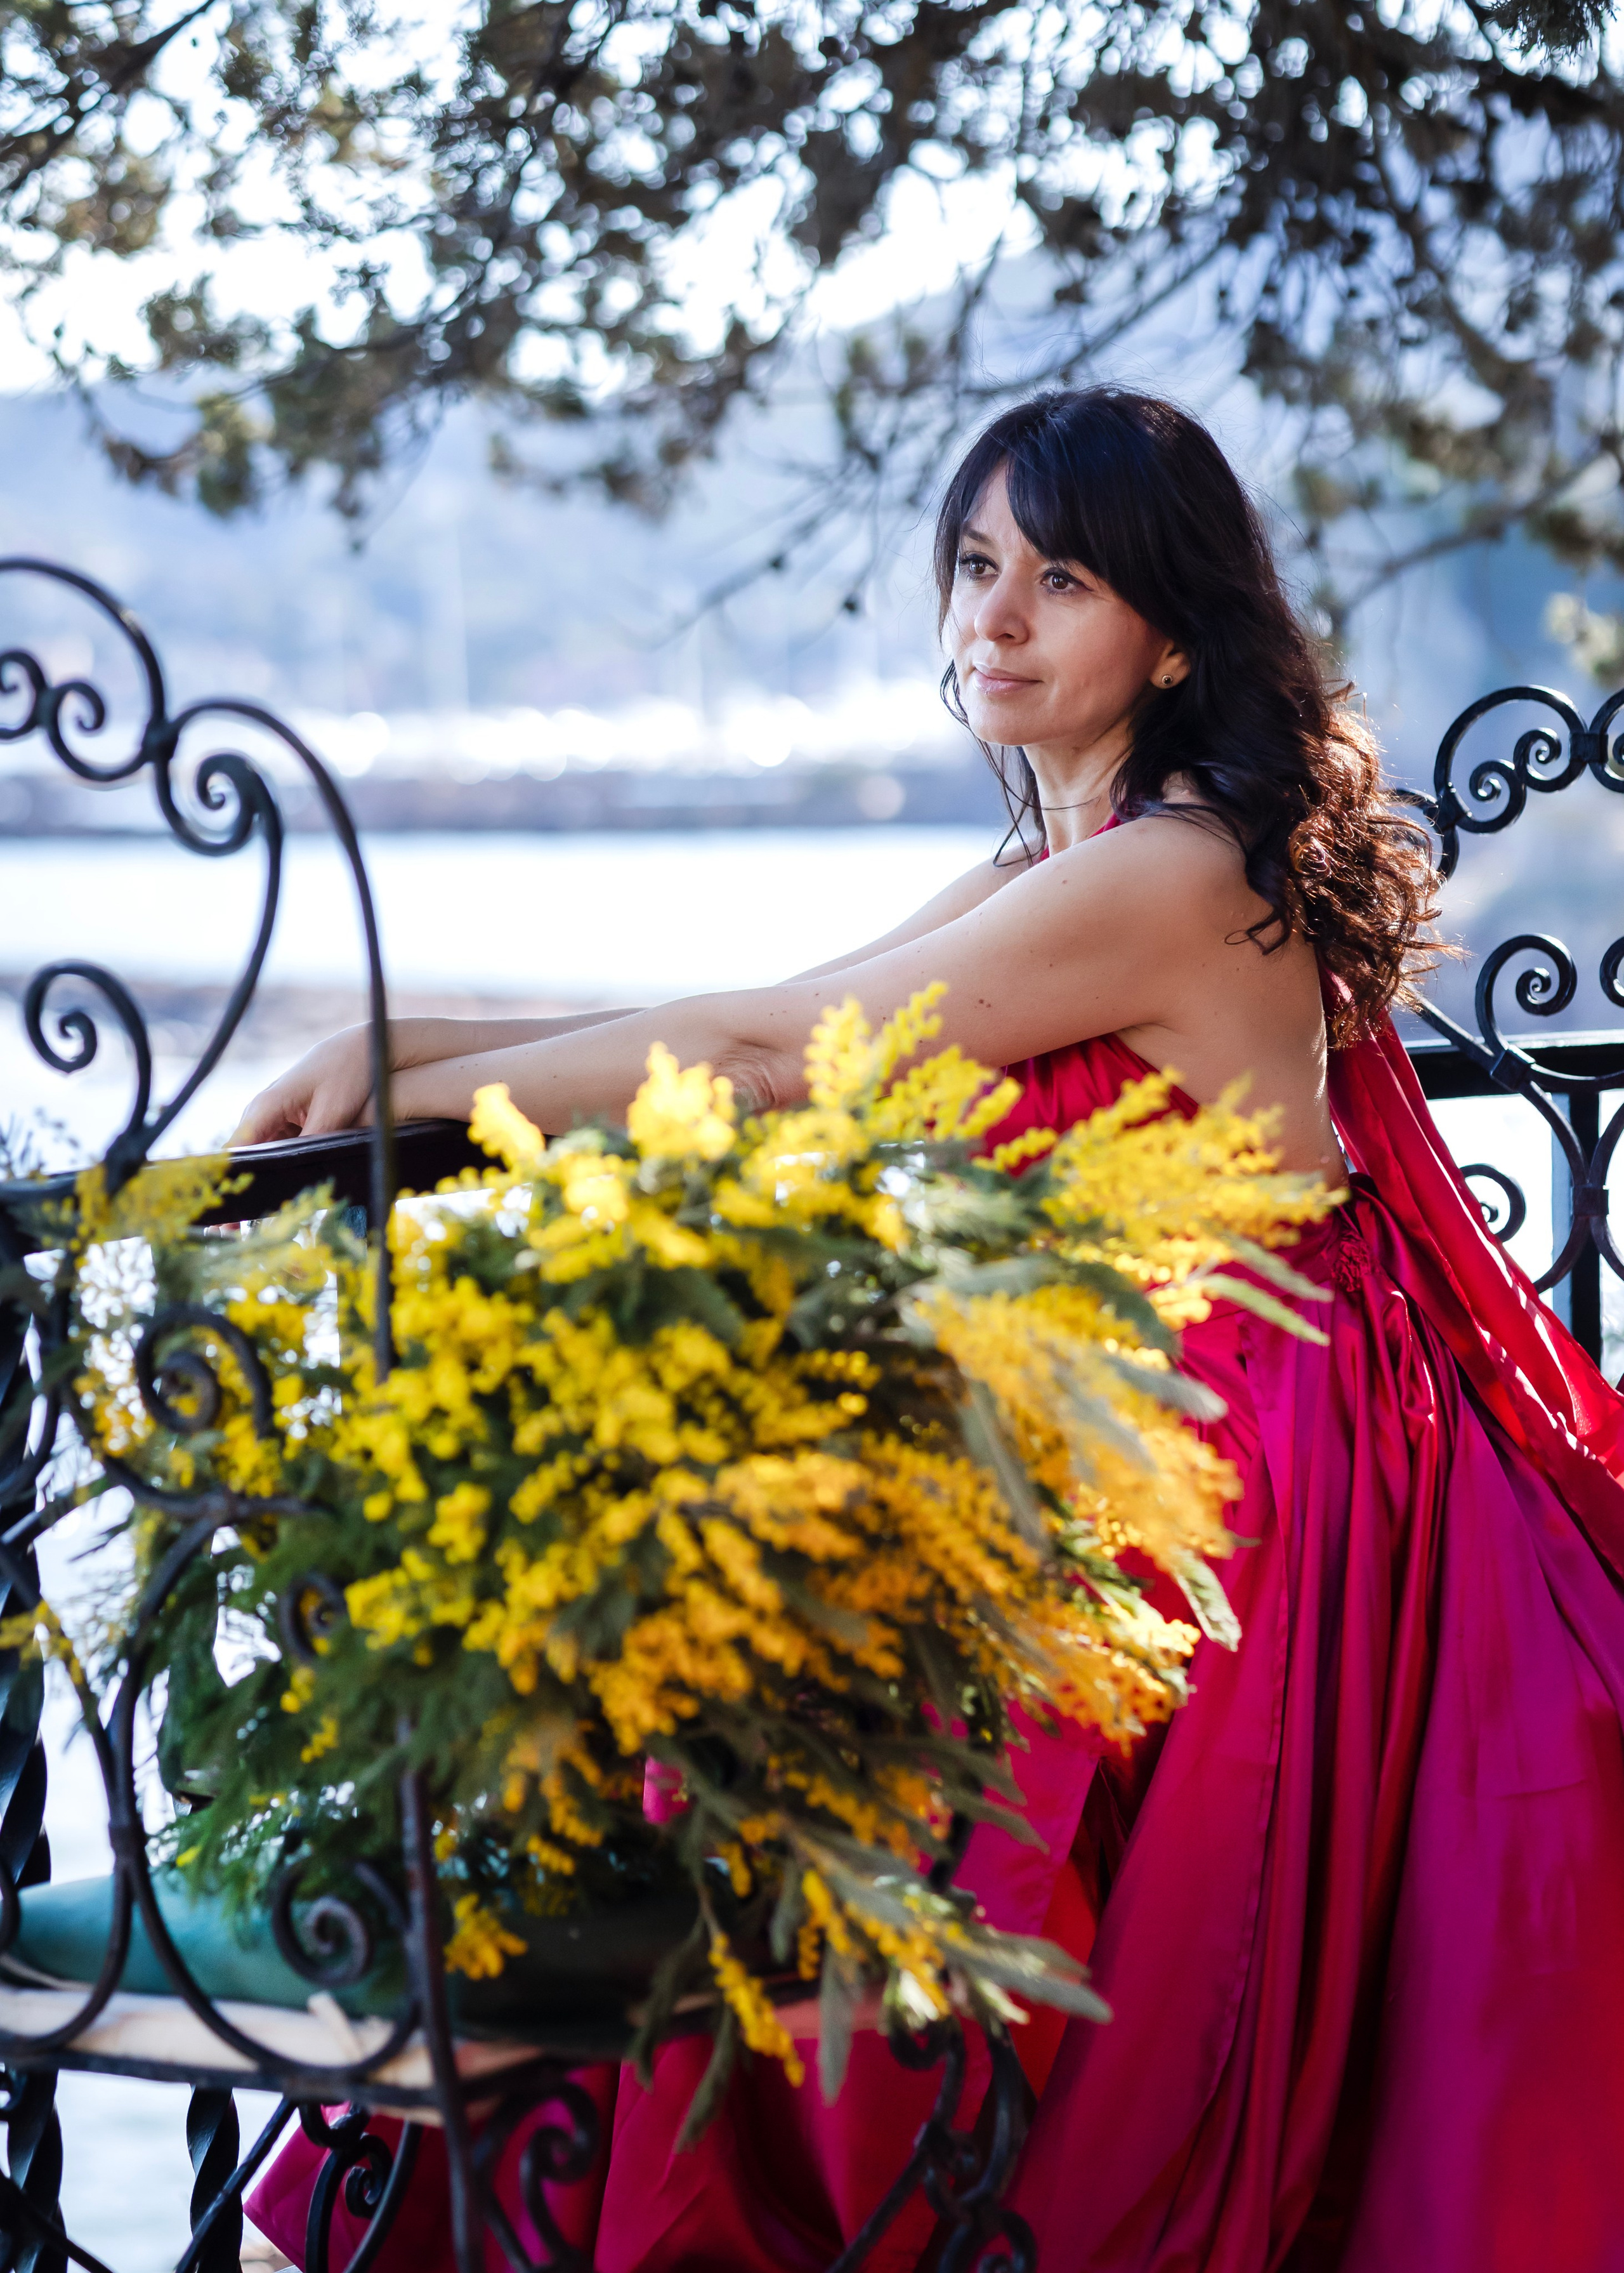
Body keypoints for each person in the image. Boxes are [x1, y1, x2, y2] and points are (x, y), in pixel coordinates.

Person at [240, 388, 1624, 2272]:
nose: (995, 618)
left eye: (1061, 581)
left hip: (1248, 1476)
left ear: (1177, 629)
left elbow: (772, 1063)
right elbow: (767, 1003)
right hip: (1174, 1426)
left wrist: (428, 1081)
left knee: (851, 1792)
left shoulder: (1174, 868)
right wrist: (415, 1050)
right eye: (979, 568)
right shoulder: (1074, 857)